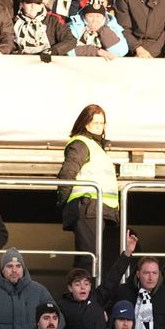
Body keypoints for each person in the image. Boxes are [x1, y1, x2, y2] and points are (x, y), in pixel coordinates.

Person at [57, 103, 118, 270]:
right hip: (88, 207)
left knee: (94, 259)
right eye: (95, 123)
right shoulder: (81, 143)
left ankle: (87, 293)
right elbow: (67, 174)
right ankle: (82, 295)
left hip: (101, 209)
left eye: (102, 123)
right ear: (85, 123)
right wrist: (64, 204)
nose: (99, 127)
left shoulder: (97, 147)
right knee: (88, 260)